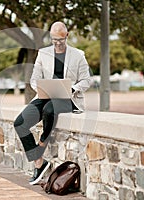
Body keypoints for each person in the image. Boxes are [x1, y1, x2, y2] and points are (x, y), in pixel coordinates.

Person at [14, 21, 91, 185]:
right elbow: (34, 79)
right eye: (54, 39)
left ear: (67, 36)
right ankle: (38, 162)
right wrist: (41, 88)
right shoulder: (43, 53)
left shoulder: (78, 55)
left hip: (69, 99)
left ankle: (40, 150)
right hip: (45, 95)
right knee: (20, 123)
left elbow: (86, 81)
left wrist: (72, 89)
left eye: (60, 40)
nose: (57, 43)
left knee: (49, 110)